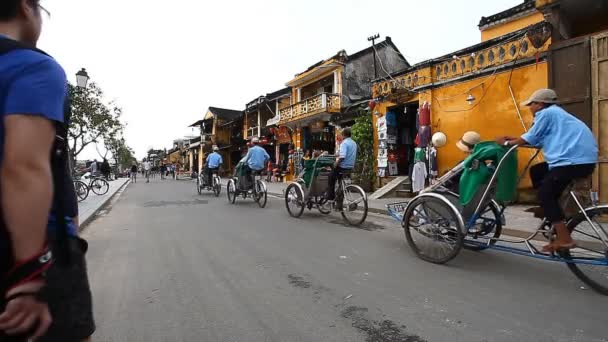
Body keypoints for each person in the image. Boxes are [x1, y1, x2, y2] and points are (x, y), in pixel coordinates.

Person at [0, 1, 95, 340]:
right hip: (35, 243)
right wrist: (29, 274)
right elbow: (23, 166)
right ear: (27, 8)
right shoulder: (31, 66)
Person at [498, 88, 598, 252]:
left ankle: (564, 238)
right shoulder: (558, 115)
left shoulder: (546, 113)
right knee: (537, 171)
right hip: (581, 160)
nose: (530, 107)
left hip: (571, 161)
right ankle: (550, 210)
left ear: (540, 104)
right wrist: (516, 140)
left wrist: (508, 143)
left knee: (546, 193)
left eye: (531, 104)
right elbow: (536, 140)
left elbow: (529, 137)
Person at [326, 128, 357, 201]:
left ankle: (330, 196)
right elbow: (342, 154)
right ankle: (339, 204)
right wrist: (336, 154)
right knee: (341, 185)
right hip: (350, 166)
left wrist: (336, 164)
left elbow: (342, 156)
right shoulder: (353, 143)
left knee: (331, 176)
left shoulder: (344, 143)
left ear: (343, 135)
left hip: (342, 166)